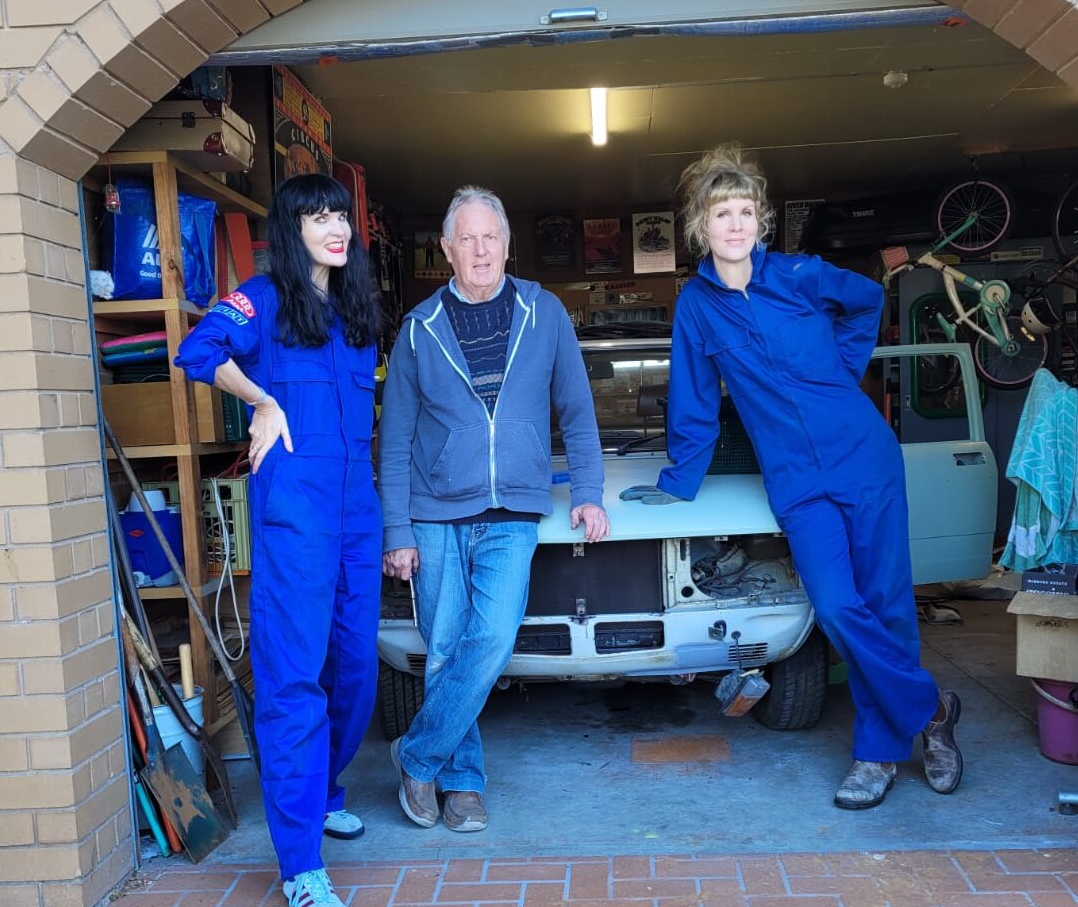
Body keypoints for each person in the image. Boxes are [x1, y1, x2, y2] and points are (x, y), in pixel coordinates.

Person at [620, 145, 963, 810]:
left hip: (863, 455)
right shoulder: (697, 306)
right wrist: (676, 480)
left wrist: (837, 370)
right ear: (701, 225)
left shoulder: (800, 275)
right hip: (797, 480)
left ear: (761, 219)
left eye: (746, 210)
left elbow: (867, 300)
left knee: (886, 603)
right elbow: (691, 398)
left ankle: (876, 752)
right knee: (837, 606)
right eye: (723, 213)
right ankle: (933, 708)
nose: (737, 224)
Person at [173, 174, 382, 907]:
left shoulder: (358, 312)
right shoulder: (261, 299)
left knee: (356, 667)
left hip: (360, 515)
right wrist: (262, 400)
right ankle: (301, 867)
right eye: (317, 215)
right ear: (289, 229)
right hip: (296, 518)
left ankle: (322, 793)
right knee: (295, 680)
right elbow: (195, 350)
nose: (334, 226)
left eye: (340, 214)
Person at [378, 185, 610, 832]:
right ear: (447, 250)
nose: (481, 250)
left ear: (508, 245)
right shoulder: (418, 330)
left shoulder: (546, 312)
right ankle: (463, 785)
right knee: (447, 645)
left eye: (492, 237)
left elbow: (578, 410)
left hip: (513, 508)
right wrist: (397, 529)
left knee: (491, 638)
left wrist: (588, 491)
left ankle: (417, 754)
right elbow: (393, 439)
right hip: (433, 508)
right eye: (467, 239)